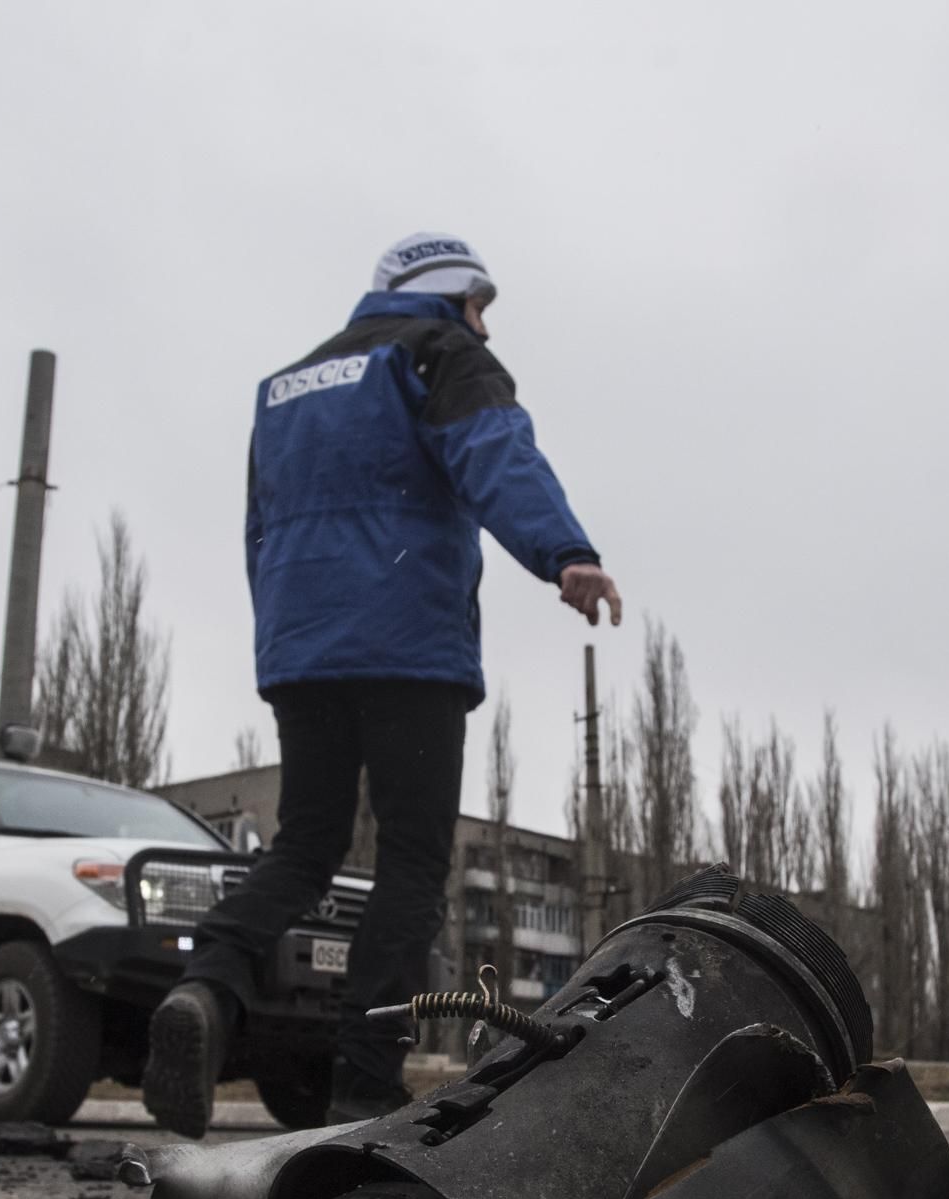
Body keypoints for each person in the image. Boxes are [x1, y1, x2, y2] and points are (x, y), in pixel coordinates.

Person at [143, 232, 622, 1136]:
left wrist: (284, 643)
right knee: (410, 859)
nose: (485, 324)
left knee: (305, 844)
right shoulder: (440, 352)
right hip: (409, 647)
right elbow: (495, 453)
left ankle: (208, 987)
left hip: (304, 647)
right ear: (452, 294)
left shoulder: (285, 387)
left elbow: (259, 528)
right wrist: (567, 554)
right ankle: (364, 1083)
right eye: (482, 306)